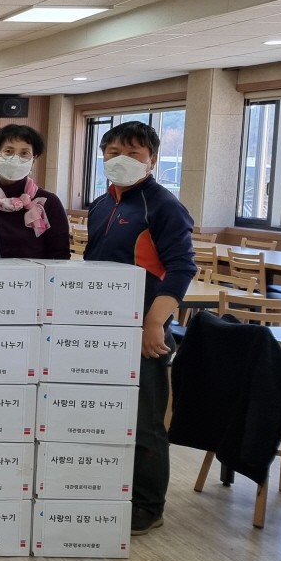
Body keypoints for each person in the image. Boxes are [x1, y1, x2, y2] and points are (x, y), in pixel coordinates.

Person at [83, 121, 196, 536]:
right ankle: (107, 489)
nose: (122, 160)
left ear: (152, 160)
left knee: (145, 419)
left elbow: (182, 268)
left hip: (144, 330)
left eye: (133, 153)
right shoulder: (102, 203)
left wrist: (154, 324)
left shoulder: (162, 206)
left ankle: (148, 506)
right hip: (101, 327)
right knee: (105, 415)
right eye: (113, 153)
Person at [0, 123, 70, 259]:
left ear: (33, 160)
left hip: (32, 273)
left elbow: (60, 255)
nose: (15, 159)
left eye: (24, 153)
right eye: (8, 151)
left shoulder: (49, 202)